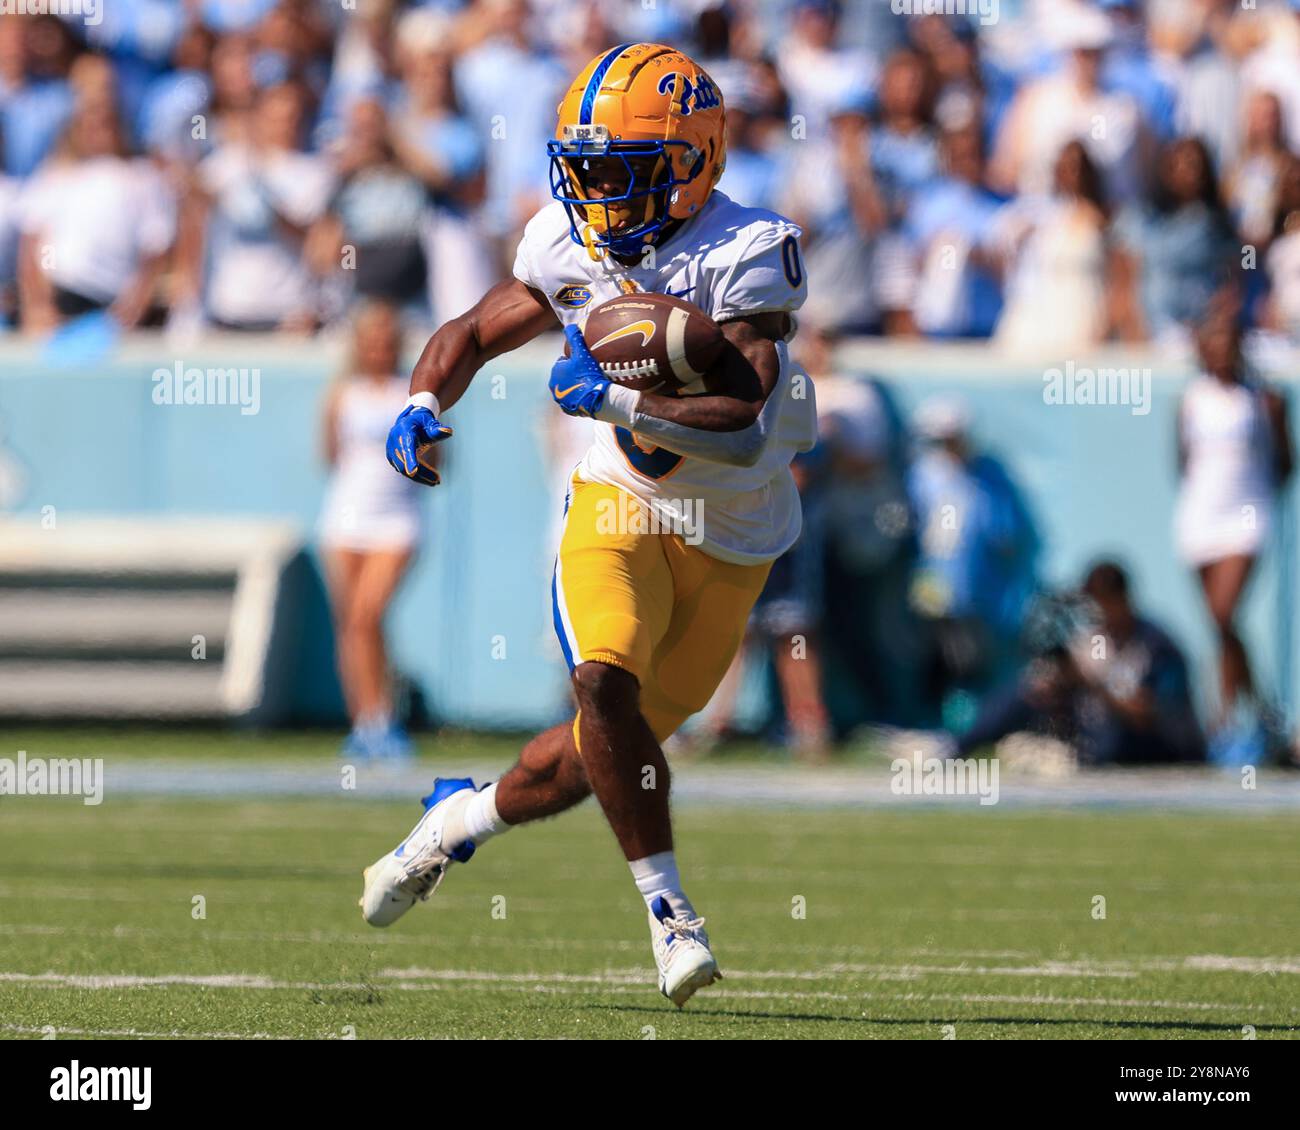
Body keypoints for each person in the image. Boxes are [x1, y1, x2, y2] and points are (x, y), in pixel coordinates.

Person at [358, 43, 815, 1009]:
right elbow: (474, 331)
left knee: (589, 756)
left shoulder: (746, 248)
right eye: (586, 167)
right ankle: (669, 913)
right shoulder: (567, 242)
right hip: (618, 501)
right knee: (600, 679)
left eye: (622, 169)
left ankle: (458, 819)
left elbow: (740, 427)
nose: (596, 192)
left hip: (735, 529)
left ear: (693, 162)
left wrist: (615, 400)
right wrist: (419, 403)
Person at [1174, 309, 1293, 758]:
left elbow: (1285, 463)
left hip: (1246, 516)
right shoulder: (1191, 399)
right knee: (1219, 626)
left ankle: (1227, 715)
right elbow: (1182, 462)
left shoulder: (1262, 401)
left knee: (1225, 614)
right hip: (1201, 515)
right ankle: (1259, 718)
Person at [955, 561, 1204, 765]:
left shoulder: (1157, 646)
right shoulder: (1093, 639)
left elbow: (1153, 716)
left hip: (1147, 744)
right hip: (1093, 730)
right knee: (1019, 696)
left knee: (1110, 737)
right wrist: (1059, 682)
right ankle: (954, 751)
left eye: (1102, 603)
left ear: (1123, 600)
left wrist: (1093, 685)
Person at [318, 301, 423, 760]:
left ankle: (384, 718)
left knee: (368, 614)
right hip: (346, 519)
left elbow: (437, 464)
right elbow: (330, 455)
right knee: (353, 626)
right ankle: (365, 720)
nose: (379, 350)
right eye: (371, 342)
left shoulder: (413, 393)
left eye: (386, 341)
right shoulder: (343, 394)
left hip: (398, 520)